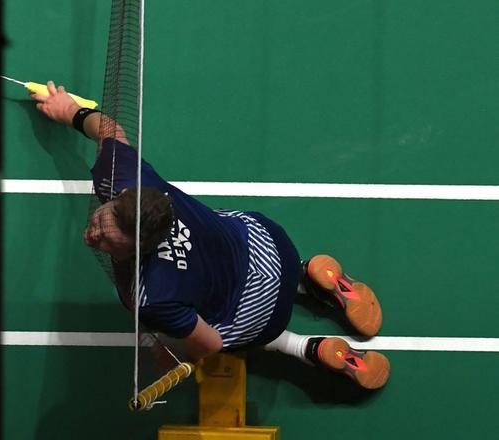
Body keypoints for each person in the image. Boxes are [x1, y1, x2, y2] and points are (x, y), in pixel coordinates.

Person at [32, 82, 390, 389]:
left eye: (108, 240)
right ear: (123, 197)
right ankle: (303, 276)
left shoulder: (150, 295)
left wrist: (176, 356)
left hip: (261, 310)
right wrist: (72, 112)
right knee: (226, 235)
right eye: (100, 221)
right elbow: (111, 130)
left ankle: (301, 346)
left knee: (218, 331)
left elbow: (211, 343)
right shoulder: (127, 182)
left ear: (144, 247)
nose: (92, 235)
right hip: (270, 243)